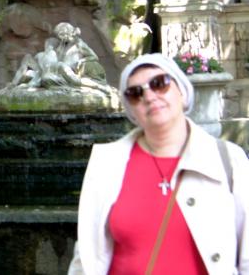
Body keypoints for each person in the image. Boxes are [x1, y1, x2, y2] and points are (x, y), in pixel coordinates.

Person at [68, 53, 249, 274]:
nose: (149, 96)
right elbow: (86, 255)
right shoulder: (107, 164)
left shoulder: (228, 160)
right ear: (131, 110)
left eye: (159, 83)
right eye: (135, 93)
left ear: (182, 91)